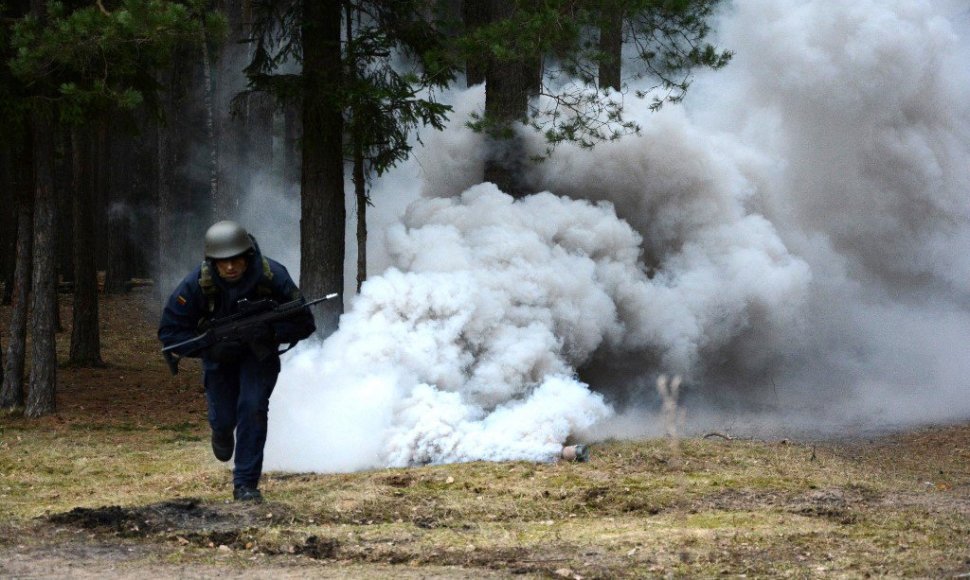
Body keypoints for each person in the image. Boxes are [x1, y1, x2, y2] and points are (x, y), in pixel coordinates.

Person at [158, 221, 316, 502]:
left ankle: (245, 484)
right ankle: (220, 432)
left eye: (235, 260)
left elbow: (304, 322)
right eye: (222, 262)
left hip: (259, 356)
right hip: (219, 361)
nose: (230, 267)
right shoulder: (197, 284)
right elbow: (170, 333)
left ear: (247, 256)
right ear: (213, 262)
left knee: (252, 408)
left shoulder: (273, 276)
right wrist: (211, 349)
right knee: (224, 419)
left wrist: (271, 332)